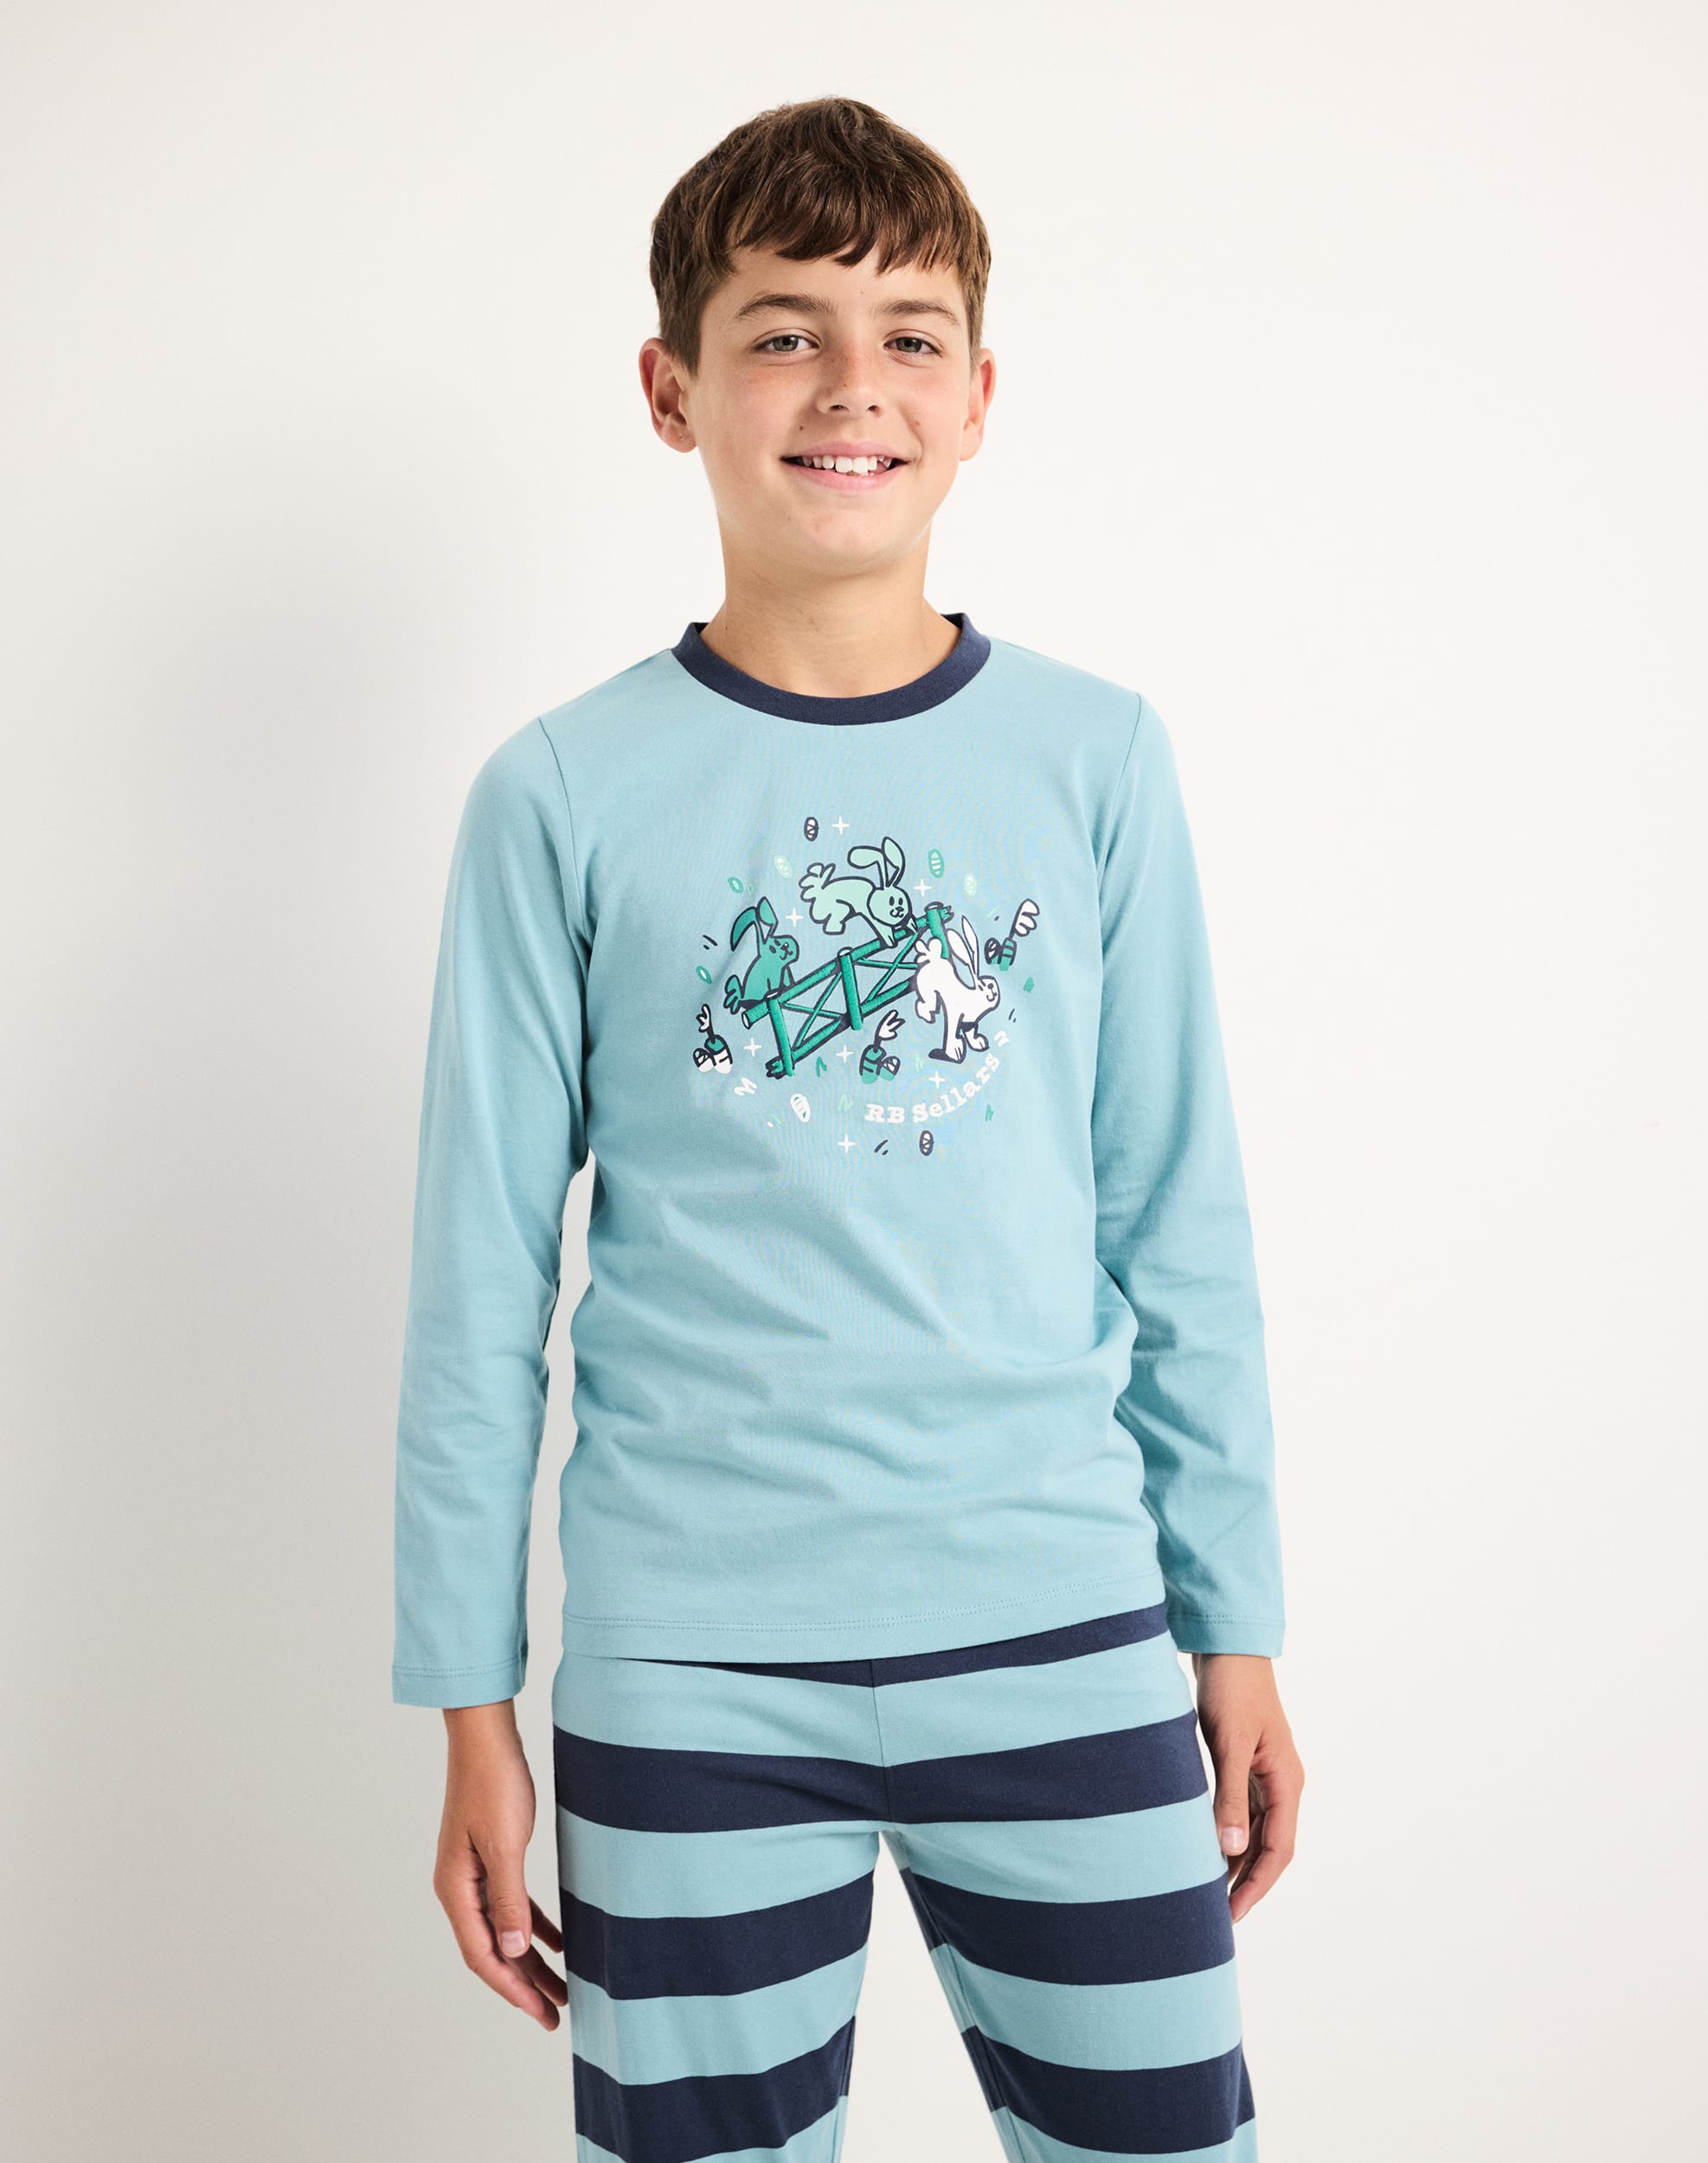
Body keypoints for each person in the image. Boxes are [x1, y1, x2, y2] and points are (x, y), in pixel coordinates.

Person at [392, 94, 1303, 2163]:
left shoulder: (1096, 758)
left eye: (907, 336)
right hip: (692, 1666)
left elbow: (1179, 1218)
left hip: (1063, 1631)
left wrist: (1234, 1617)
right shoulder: (561, 793)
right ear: (672, 389)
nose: (849, 385)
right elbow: (476, 1291)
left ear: (978, 398)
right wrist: (468, 1705)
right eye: (783, 331)